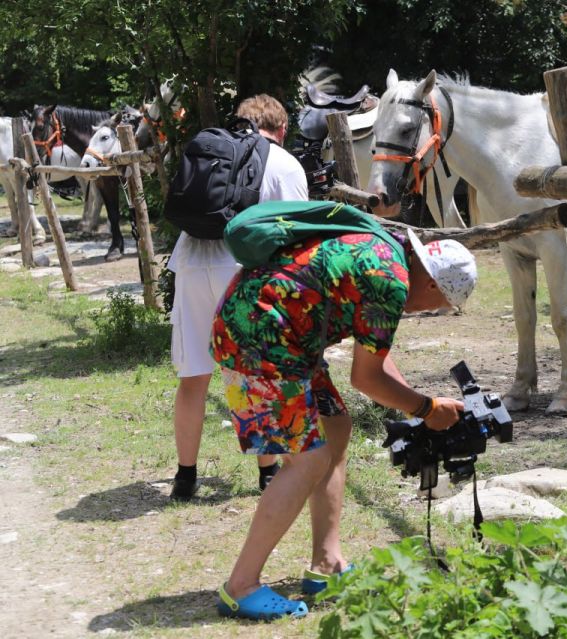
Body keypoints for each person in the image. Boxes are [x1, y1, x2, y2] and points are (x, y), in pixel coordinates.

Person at [210, 224, 477, 620]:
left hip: (282, 331)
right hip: (259, 335)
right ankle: (241, 586)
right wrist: (425, 409)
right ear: (434, 286)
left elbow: (373, 355)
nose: (425, 311)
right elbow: (366, 379)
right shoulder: (391, 282)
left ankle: (327, 565)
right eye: (436, 306)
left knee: (336, 428)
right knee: (308, 459)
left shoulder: (389, 255)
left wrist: (424, 405)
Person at [168, 94, 309, 501]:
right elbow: (297, 234)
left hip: (192, 263)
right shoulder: (282, 161)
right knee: (253, 374)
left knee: (193, 377)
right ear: (281, 128)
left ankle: (185, 476)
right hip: (243, 270)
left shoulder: (210, 151)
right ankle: (266, 475)